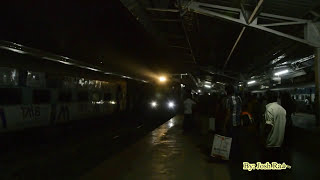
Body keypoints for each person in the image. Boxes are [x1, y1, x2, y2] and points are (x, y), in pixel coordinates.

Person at [262, 90, 287, 179]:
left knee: (267, 167)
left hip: (270, 142)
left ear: (267, 98)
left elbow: (268, 126)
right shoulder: (282, 109)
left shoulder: (269, 109)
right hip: (279, 142)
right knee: (275, 165)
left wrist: (262, 137)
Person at [223, 85, 242, 160]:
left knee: (230, 139)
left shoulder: (228, 99)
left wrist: (224, 125)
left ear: (227, 91)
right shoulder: (239, 98)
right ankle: (237, 155)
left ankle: (230, 156)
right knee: (236, 139)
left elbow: (228, 113)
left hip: (231, 123)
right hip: (238, 122)